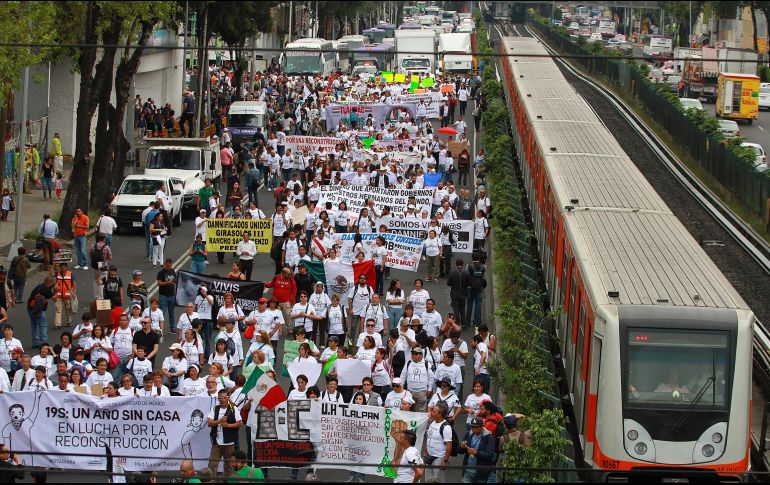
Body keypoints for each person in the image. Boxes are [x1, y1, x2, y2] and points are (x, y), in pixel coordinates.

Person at [459, 416, 497, 483]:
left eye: (476, 427)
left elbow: (490, 455)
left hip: (481, 472)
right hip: (468, 470)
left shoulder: (489, 437)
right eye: (472, 427)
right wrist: (461, 447)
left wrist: (476, 452)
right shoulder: (468, 434)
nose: (474, 429)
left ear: (482, 426)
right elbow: (460, 451)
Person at [423, 401, 453, 482]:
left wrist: (445, 460)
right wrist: (426, 451)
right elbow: (429, 437)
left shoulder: (446, 427)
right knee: (428, 480)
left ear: (439, 414)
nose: (431, 412)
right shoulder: (432, 422)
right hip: (429, 457)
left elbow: (449, 445)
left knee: (438, 481)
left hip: (439, 458)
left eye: (434, 411)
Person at [399, 347, 433, 413]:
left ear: (421, 355)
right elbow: (403, 375)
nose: (413, 355)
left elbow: (431, 377)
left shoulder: (426, 364)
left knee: (421, 411)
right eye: (412, 353)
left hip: (422, 392)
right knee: (409, 410)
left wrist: (429, 389)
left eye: (416, 354)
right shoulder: (408, 363)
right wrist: (401, 387)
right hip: (410, 391)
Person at [27, 277, 54, 348]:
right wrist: (56, 291)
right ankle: (43, 343)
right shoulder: (46, 289)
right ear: (51, 283)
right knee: (43, 325)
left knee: (34, 326)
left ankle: (34, 343)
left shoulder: (39, 287)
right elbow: (54, 298)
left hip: (30, 308)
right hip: (38, 310)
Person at [157, 258, 178, 336]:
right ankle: (158, 328)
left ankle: (172, 328)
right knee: (161, 313)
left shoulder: (172, 271)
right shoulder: (161, 273)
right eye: (168, 265)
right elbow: (159, 283)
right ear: (165, 264)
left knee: (171, 313)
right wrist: (167, 282)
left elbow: (175, 280)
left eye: (171, 265)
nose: (170, 267)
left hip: (172, 295)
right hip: (163, 296)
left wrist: (176, 281)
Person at [465, 254, 487, 328]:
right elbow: (483, 272)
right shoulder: (483, 266)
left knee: (469, 305)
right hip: (479, 288)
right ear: (479, 258)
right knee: (478, 305)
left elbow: (466, 275)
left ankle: (467, 322)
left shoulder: (469, 266)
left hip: (470, 288)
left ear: (472, 258)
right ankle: (477, 321)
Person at [52, 262, 76, 329]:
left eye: (64, 267)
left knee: (68, 310)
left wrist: (74, 293)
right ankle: (57, 324)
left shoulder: (70, 274)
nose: (63, 268)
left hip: (67, 295)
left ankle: (69, 321)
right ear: (60, 267)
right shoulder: (57, 273)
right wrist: (53, 264)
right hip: (58, 295)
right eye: (61, 267)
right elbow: (51, 274)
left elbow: (74, 284)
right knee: (58, 309)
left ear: (66, 267)